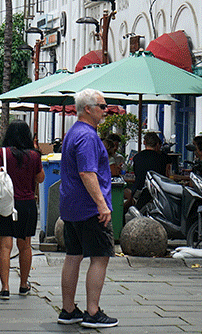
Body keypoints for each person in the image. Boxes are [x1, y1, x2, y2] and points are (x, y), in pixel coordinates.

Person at [57, 89, 118, 328]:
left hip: (71, 206)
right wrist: (102, 205)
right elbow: (87, 172)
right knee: (100, 257)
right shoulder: (88, 136)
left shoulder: (73, 132)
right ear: (88, 109)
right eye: (102, 106)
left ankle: (68, 309)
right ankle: (92, 311)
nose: (106, 110)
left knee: (74, 255)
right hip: (89, 208)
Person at [0, 121, 45, 300]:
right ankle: (24, 284)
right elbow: (41, 179)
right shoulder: (34, 156)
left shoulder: (2, 154)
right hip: (26, 205)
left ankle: (5, 287)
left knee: (5, 246)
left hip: (6, 204)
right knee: (25, 246)